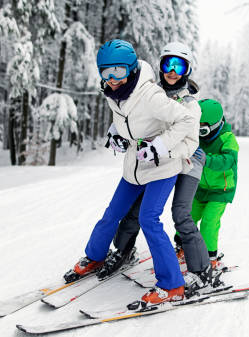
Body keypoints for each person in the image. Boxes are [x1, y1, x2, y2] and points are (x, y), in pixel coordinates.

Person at [63, 39, 199, 305]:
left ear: (131, 69)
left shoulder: (149, 94)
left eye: (118, 72)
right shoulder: (117, 91)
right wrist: (117, 134)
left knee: (149, 220)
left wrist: (159, 146)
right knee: (112, 213)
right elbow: (131, 122)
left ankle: (172, 285)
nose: (112, 79)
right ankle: (95, 256)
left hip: (162, 167)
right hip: (134, 167)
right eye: (106, 72)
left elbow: (187, 120)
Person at [97, 42, 221, 297]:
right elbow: (131, 120)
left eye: (179, 65)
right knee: (134, 210)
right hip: (156, 159)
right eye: (168, 64)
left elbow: (191, 143)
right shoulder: (149, 92)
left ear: (187, 70)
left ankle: (201, 269)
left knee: (181, 214)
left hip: (187, 159)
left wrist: (163, 151)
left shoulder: (190, 105)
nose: (172, 71)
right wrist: (116, 134)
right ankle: (123, 251)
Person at [191, 99, 239, 268]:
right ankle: (182, 247)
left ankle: (210, 257)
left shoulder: (228, 138)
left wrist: (207, 159)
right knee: (188, 215)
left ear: (216, 124)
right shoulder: (197, 136)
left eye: (203, 129)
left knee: (209, 221)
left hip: (221, 190)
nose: (200, 133)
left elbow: (229, 160)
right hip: (201, 187)